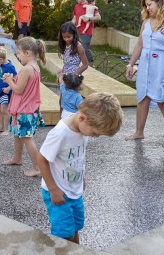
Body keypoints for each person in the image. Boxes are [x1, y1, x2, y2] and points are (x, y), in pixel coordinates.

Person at [38, 92, 123, 243]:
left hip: (74, 190)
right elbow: (42, 158)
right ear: (83, 118)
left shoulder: (83, 129)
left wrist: (81, 177)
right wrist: (53, 189)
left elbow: (78, 157)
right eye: (96, 133)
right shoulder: (61, 133)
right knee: (64, 234)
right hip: (58, 192)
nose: (95, 137)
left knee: (75, 228)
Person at [125, 0, 164, 147]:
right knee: (143, 98)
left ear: (159, 2)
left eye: (149, 4)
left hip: (163, 65)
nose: (147, 8)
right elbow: (139, 44)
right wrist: (131, 64)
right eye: (146, 5)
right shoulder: (147, 22)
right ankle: (139, 132)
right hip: (145, 64)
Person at [2, 37, 47, 177]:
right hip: (27, 108)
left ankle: (38, 168)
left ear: (27, 53)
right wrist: (13, 79)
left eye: (19, 53)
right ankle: (17, 158)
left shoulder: (27, 69)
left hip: (24, 109)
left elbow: (19, 90)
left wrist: (9, 81)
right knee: (18, 134)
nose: (17, 55)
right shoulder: (34, 66)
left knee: (27, 138)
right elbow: (24, 85)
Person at [71, 0, 100, 67]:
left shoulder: (90, 5)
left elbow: (98, 17)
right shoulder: (76, 6)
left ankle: (91, 63)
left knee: (85, 48)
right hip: (77, 30)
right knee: (77, 47)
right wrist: (69, 26)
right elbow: (75, 17)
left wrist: (89, 19)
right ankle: (80, 63)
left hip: (86, 31)